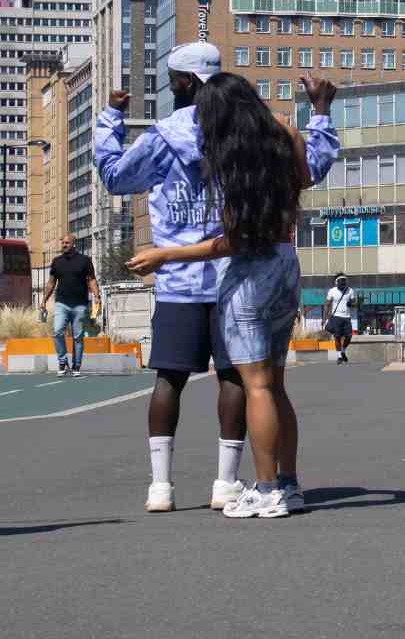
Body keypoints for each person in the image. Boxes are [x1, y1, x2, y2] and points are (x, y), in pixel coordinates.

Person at [95, 42, 338, 514]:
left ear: (189, 86)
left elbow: (115, 176)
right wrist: (321, 112)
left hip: (215, 276)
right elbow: (313, 170)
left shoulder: (187, 142)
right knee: (262, 382)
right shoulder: (273, 135)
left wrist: (110, 120)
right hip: (281, 265)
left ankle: (228, 489)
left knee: (189, 380)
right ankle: (254, 481)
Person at [40, 233, 100, 376]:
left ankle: (76, 366)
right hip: (62, 303)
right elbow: (51, 283)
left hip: (80, 305)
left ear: (74, 244)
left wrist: (97, 295)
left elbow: (91, 279)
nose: (64, 245)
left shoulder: (85, 261)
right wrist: (44, 300)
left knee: (78, 337)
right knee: (57, 331)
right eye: (63, 243)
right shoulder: (57, 261)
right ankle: (62, 360)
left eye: (67, 243)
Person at [323, 275, 356, 364]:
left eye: (344, 283)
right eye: (341, 283)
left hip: (347, 317)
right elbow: (327, 304)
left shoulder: (350, 290)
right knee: (337, 337)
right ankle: (339, 356)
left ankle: (343, 351)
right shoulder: (332, 291)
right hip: (336, 317)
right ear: (336, 283)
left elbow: (354, 302)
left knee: (349, 336)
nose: (342, 285)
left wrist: (351, 304)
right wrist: (325, 318)